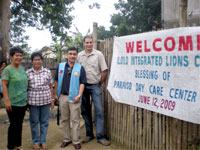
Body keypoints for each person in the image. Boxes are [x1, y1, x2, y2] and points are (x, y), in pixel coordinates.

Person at [77, 36, 110, 146]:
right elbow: (76, 70)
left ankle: (100, 137)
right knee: (85, 111)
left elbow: (104, 70)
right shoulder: (79, 56)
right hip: (83, 87)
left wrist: (100, 83)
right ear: (83, 44)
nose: (89, 44)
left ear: (93, 43)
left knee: (99, 111)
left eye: (91, 42)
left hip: (95, 86)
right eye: (87, 42)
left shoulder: (98, 54)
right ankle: (89, 134)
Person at [54, 47, 86, 150]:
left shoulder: (80, 68)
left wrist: (79, 95)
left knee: (76, 120)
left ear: (77, 55)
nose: (72, 56)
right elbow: (56, 80)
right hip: (63, 97)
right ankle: (66, 139)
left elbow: (82, 83)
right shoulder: (61, 66)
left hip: (75, 98)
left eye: (74, 54)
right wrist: (55, 94)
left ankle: (76, 141)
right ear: (67, 55)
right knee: (65, 119)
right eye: (70, 54)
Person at [26, 52, 54, 150]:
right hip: (33, 101)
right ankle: (36, 142)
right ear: (32, 61)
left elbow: (51, 86)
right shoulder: (28, 73)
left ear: (42, 61)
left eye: (39, 59)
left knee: (44, 122)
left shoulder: (47, 72)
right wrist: (26, 103)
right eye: (35, 60)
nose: (37, 61)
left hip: (46, 100)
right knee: (34, 122)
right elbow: (26, 88)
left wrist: (52, 100)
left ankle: (43, 141)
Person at [1, 47, 28, 150]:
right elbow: (3, 85)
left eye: (21, 55)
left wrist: (27, 101)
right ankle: (10, 146)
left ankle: (18, 145)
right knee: (13, 125)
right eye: (17, 55)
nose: (19, 57)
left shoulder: (21, 68)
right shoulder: (7, 70)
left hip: (22, 102)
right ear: (11, 57)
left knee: (19, 124)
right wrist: (7, 100)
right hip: (12, 102)